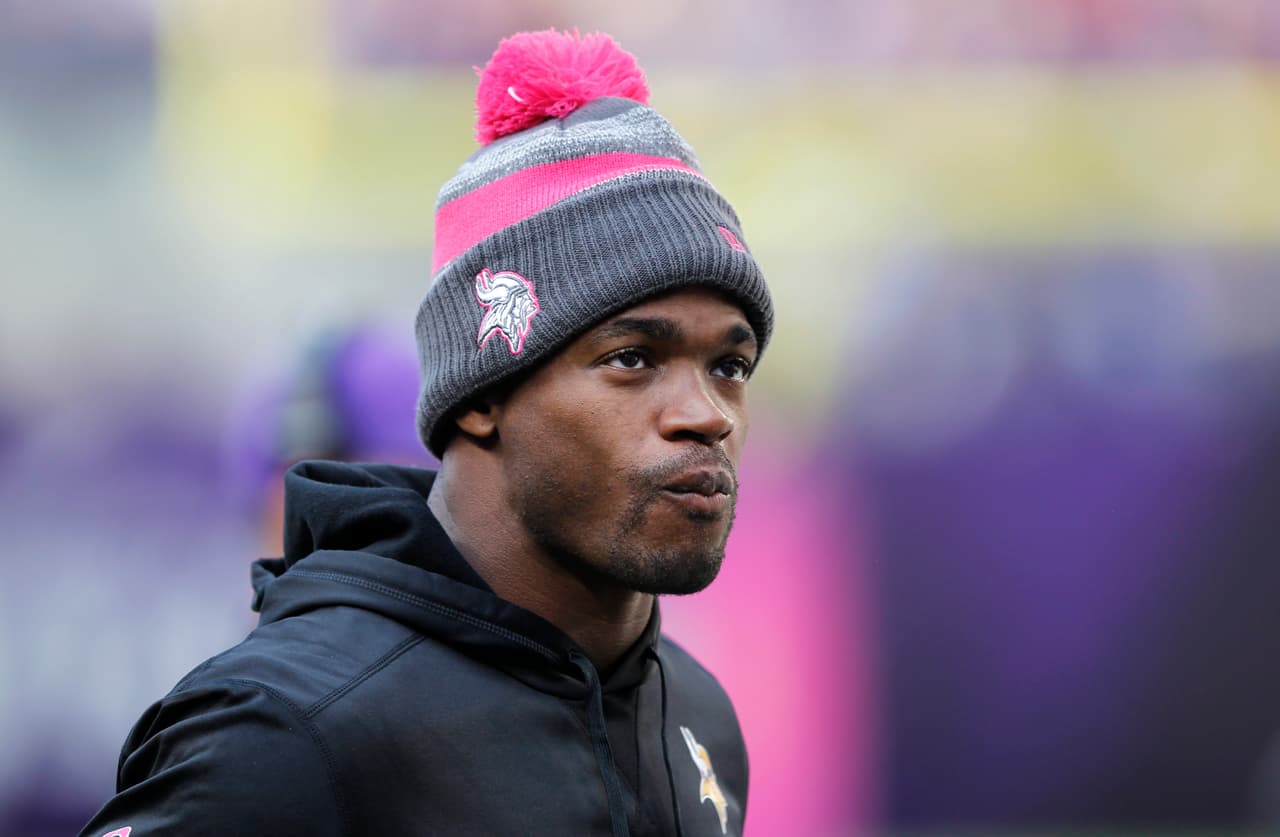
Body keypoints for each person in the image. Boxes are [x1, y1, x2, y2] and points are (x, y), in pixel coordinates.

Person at [81, 28, 772, 837]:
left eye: (730, 364)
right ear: (481, 395)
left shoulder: (696, 716)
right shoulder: (284, 733)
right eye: (631, 357)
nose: (707, 413)